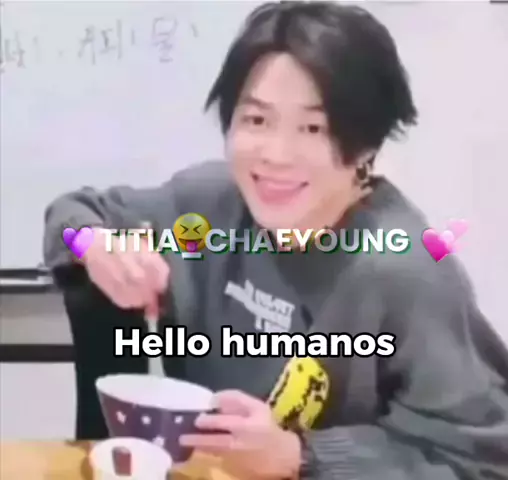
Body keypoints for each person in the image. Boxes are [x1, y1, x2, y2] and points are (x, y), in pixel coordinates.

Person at [43, 2, 508, 479]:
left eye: (313, 128)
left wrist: (301, 456)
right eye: (257, 121)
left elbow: (483, 459)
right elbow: (73, 214)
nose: (276, 155)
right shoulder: (208, 209)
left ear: (367, 145)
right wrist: (92, 246)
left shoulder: (406, 271)